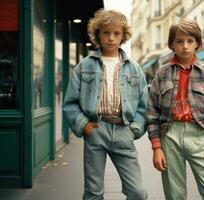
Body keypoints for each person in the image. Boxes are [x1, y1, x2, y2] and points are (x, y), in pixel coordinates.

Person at [63, 9, 148, 200]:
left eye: (116, 33)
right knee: (93, 192)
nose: (111, 38)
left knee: (138, 193)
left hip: (123, 131)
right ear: (98, 35)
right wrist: (84, 126)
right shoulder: (84, 66)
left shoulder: (135, 68)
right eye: (106, 33)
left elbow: (144, 105)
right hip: (96, 130)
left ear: (123, 36)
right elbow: (70, 103)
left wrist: (134, 129)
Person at [147, 19, 204, 200]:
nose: (185, 46)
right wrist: (156, 147)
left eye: (190, 41)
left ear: (197, 43)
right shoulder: (162, 73)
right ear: (172, 44)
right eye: (179, 41)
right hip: (170, 136)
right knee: (175, 195)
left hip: (199, 135)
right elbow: (152, 112)